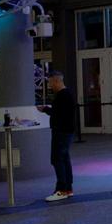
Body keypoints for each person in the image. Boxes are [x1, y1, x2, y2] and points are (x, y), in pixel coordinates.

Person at [38, 71, 77, 202]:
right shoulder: (68, 94)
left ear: (56, 81)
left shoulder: (62, 95)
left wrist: (45, 109)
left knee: (57, 159)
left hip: (61, 132)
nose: (50, 86)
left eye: (50, 82)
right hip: (67, 131)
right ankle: (68, 188)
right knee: (65, 159)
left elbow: (58, 114)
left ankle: (61, 190)